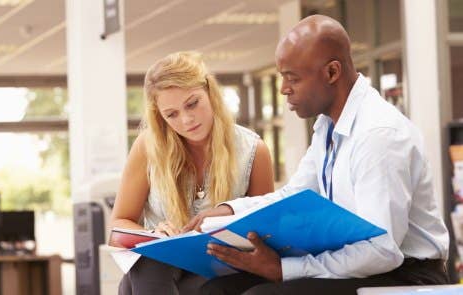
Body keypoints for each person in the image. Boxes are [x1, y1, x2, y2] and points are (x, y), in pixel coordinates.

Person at [187, 15, 449, 295]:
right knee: (215, 290)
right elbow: (294, 195)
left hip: (406, 275)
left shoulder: (378, 135)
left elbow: (383, 250)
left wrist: (286, 269)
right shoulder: (327, 126)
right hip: (361, 264)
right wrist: (230, 210)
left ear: (332, 73)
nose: (283, 89)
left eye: (293, 78)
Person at [111, 51, 275, 294]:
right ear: (160, 116)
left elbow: (264, 234)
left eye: (192, 104)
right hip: (161, 267)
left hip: (222, 268)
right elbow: (117, 227)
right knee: (149, 261)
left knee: (139, 282)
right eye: (172, 114)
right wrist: (152, 234)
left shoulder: (253, 150)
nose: (187, 120)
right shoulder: (148, 147)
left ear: (209, 92)